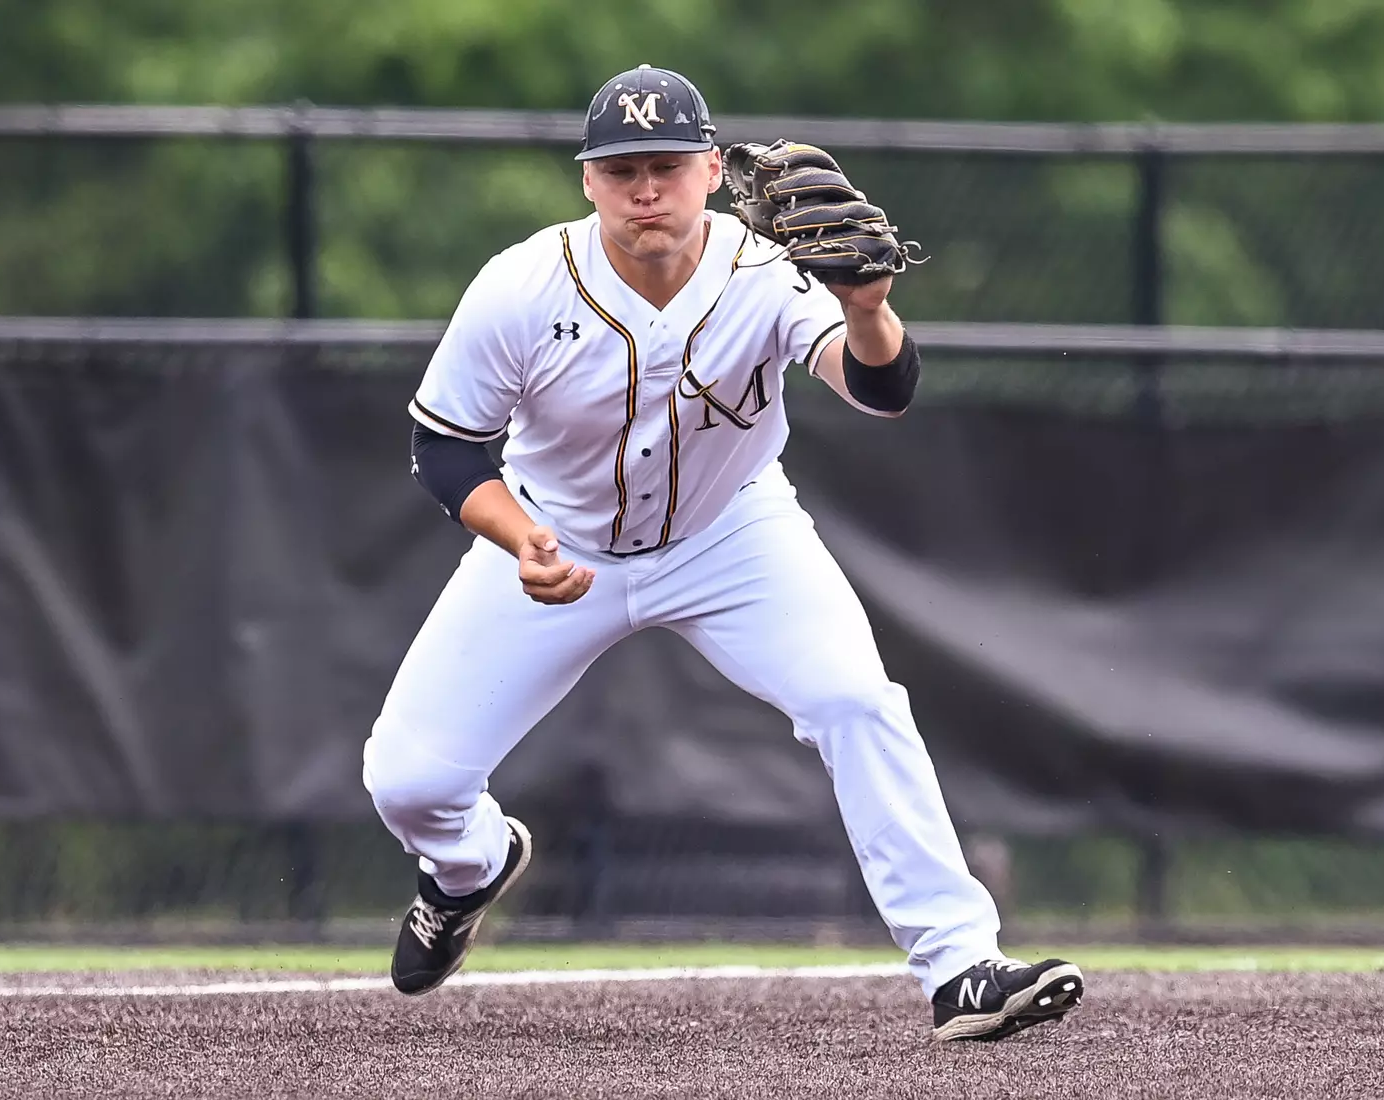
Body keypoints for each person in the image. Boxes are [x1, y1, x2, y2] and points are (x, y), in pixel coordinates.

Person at [361, 63, 1084, 1041]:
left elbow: (880, 389)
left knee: (854, 699)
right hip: (556, 534)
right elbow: (443, 446)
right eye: (622, 169)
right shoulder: (523, 285)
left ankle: (960, 963)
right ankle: (470, 865)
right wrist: (521, 536)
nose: (645, 188)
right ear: (587, 180)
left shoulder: (766, 272)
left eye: (665, 164)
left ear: (711, 168)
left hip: (732, 534)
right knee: (408, 779)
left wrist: (870, 309)